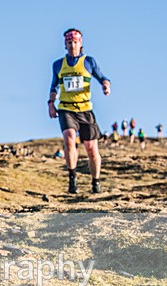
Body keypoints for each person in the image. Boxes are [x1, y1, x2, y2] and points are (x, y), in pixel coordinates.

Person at [48, 28, 111, 194]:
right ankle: (72, 178)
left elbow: (102, 77)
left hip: (85, 109)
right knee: (69, 139)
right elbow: (54, 86)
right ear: (65, 44)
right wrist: (51, 103)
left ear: (80, 43)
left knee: (91, 148)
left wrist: (106, 85)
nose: (72, 46)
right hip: (66, 109)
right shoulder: (58, 64)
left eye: (75, 42)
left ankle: (95, 181)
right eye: (69, 43)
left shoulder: (89, 61)